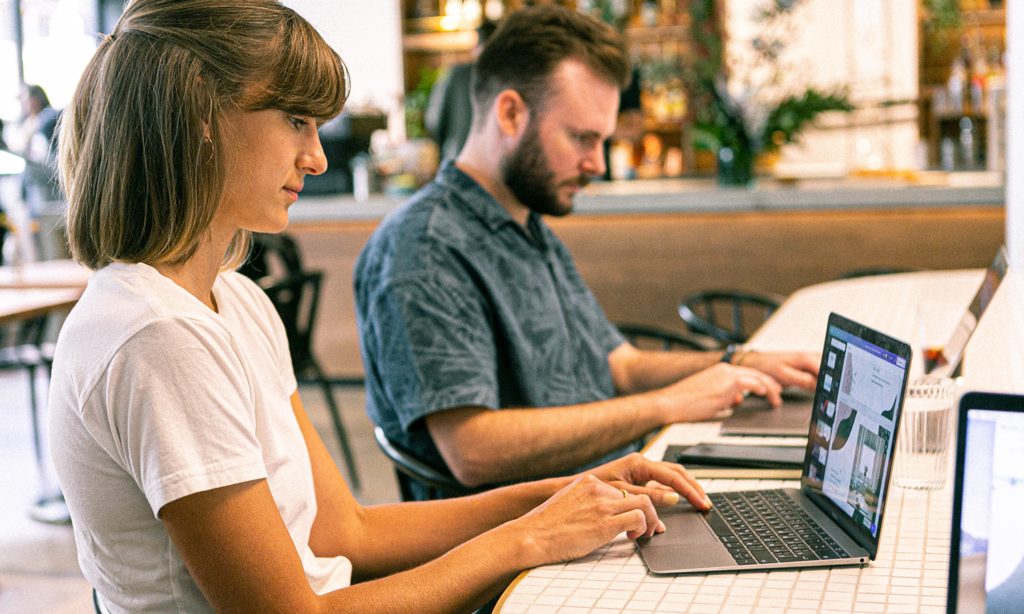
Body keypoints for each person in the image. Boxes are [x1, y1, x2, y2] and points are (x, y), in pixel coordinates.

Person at [49, 1, 712, 611]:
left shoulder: (235, 300)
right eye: (295, 121)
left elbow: (349, 531)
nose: (314, 157)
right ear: (200, 118)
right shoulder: (157, 336)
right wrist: (526, 539)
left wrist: (572, 491)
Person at [354, 5, 819, 499]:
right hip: (522, 543)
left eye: (602, 140)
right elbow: (473, 450)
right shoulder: (424, 249)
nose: (597, 163)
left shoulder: (527, 223)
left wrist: (738, 362)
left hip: (607, 493)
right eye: (581, 138)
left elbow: (619, 366)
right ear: (510, 112)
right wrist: (665, 405)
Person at [424, 20, 497, 164]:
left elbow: (434, 121)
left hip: (457, 161)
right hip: (494, 166)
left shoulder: (456, 74)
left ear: (476, 47)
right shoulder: (507, 77)